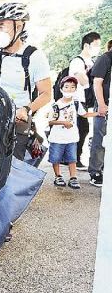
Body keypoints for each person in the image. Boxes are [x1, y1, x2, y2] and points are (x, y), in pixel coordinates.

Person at [0, 2, 52, 161]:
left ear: (18, 27)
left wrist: (26, 109)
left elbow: (46, 94)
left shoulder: (33, 56)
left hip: (16, 124)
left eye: (2, 26)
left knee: (12, 169)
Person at [47, 76, 98, 189]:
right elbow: (50, 121)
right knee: (56, 158)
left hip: (72, 137)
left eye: (72, 87)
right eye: (66, 87)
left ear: (75, 89)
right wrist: (63, 123)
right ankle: (58, 176)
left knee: (72, 158)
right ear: (61, 89)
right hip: (57, 138)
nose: (69, 89)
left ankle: (73, 177)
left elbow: (84, 114)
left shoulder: (76, 103)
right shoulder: (56, 105)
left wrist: (98, 113)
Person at [69, 32, 101, 169]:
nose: (98, 48)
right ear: (86, 45)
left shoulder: (92, 62)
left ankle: (74, 158)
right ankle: (73, 158)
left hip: (85, 101)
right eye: (96, 45)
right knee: (81, 130)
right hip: (76, 100)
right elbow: (83, 81)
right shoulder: (77, 61)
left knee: (82, 130)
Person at [88, 42, 111, 187]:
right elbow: (97, 83)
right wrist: (102, 104)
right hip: (105, 105)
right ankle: (95, 171)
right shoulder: (106, 58)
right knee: (100, 138)